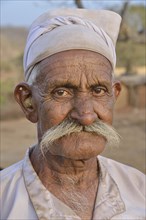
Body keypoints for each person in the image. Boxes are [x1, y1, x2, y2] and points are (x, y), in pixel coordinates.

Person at [0, 8, 145, 220]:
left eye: (98, 90)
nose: (86, 116)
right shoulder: (5, 201)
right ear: (28, 102)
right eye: (61, 92)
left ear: (114, 95)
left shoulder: (139, 189)